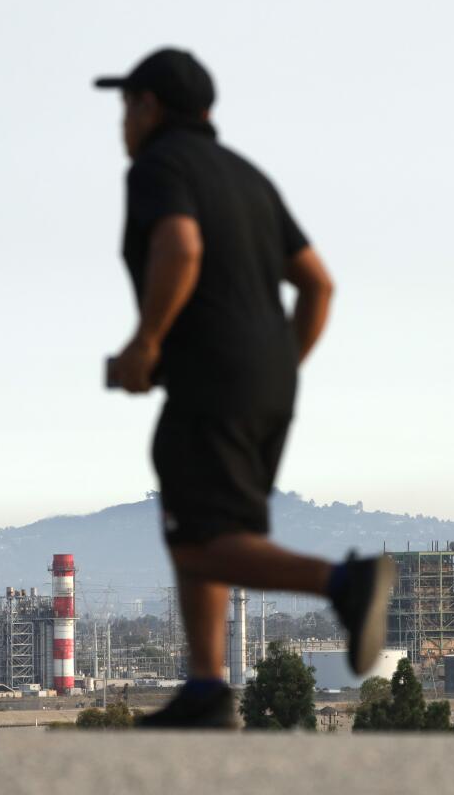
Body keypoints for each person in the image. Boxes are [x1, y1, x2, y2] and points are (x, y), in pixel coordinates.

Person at [95, 48, 394, 729]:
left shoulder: (159, 166)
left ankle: (345, 584)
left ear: (149, 107)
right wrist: (281, 367)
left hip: (209, 379)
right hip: (270, 382)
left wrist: (145, 343)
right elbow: (318, 284)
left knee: (198, 541)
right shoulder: (249, 178)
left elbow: (182, 247)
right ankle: (207, 689)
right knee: (205, 524)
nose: (121, 123)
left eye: (126, 106)